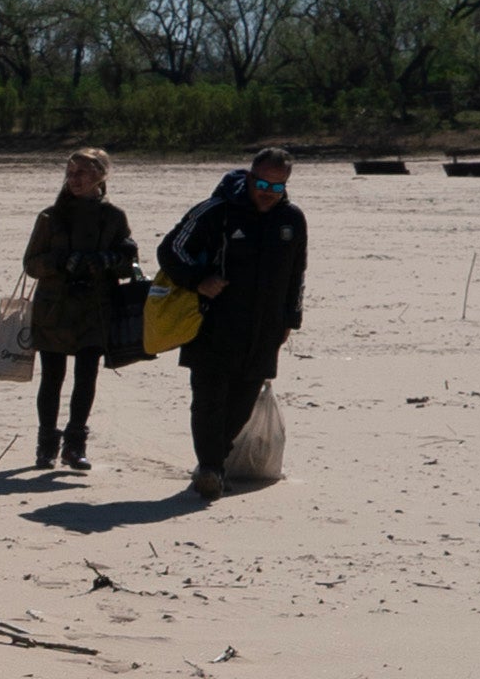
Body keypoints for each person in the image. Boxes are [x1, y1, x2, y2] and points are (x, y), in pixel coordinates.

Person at [155, 145, 313, 495]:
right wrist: (199, 279)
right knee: (209, 398)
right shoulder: (217, 211)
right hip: (212, 323)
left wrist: (291, 318)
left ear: (286, 184)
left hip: (264, 329)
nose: (267, 193)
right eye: (261, 184)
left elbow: (296, 273)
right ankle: (210, 468)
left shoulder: (292, 219)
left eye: (277, 187)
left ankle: (215, 462)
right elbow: (169, 250)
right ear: (249, 176)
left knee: (241, 403)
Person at [17, 148, 136, 475]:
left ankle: (75, 445)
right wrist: (60, 263)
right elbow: (31, 264)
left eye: (82, 173)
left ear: (101, 175)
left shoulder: (113, 217)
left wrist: (108, 261)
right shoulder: (50, 217)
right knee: (52, 379)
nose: (74, 179)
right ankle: (46, 445)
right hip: (54, 309)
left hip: (95, 309)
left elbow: (130, 262)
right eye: (70, 173)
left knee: (87, 378)